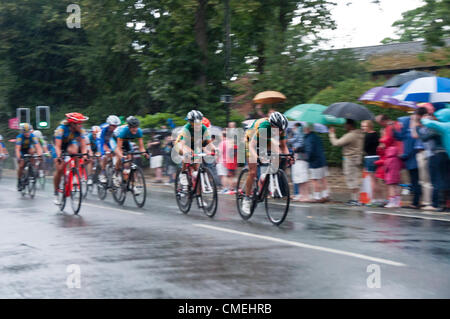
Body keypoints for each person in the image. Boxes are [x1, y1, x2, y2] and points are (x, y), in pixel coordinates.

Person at [242, 112, 292, 214]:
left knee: (278, 154)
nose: (280, 132)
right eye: (278, 130)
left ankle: (265, 176)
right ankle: (246, 199)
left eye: (282, 130)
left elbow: (283, 146)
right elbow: (252, 146)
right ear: (272, 125)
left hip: (266, 140)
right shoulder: (265, 126)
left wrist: (288, 157)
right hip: (251, 140)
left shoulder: (281, 129)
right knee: (253, 171)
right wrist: (255, 156)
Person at [174, 110, 216, 208]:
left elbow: (208, 143)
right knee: (187, 155)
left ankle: (199, 197)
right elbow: (184, 145)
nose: (197, 124)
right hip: (181, 144)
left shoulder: (203, 127)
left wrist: (214, 150)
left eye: (199, 122)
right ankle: (183, 173)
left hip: (195, 145)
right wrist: (191, 153)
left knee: (197, 174)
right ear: (190, 122)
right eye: (194, 123)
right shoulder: (186, 129)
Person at [53, 113, 89, 204]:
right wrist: (59, 156)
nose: (81, 126)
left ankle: (74, 173)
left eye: (81, 124)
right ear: (72, 124)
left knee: (75, 151)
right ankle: (56, 192)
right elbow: (57, 146)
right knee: (60, 169)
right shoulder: (61, 129)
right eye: (79, 124)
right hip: (59, 146)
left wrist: (85, 155)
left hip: (69, 144)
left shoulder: (81, 130)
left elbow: (83, 144)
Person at [421, 108, 450, 212]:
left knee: (441, 179)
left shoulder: (445, 126)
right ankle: (445, 205)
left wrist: (423, 119)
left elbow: (426, 130)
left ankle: (440, 204)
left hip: (441, 155)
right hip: (446, 155)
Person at [329, 119, 364, 206]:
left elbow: (336, 143)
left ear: (350, 125)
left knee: (351, 179)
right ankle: (354, 198)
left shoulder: (351, 135)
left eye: (346, 124)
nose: (344, 126)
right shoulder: (359, 134)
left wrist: (332, 134)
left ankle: (355, 199)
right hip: (356, 158)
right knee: (354, 178)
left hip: (350, 159)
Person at [112, 116, 149, 187]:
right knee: (120, 156)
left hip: (126, 140)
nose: (135, 129)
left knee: (130, 156)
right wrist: (121, 155)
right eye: (133, 127)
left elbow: (141, 148)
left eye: (136, 127)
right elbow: (118, 148)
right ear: (129, 127)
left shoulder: (139, 131)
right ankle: (115, 173)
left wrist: (144, 153)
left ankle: (129, 178)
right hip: (116, 138)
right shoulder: (123, 131)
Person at [303, 123, 328, 202]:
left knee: (314, 179)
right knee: (323, 178)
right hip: (322, 160)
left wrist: (307, 158)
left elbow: (309, 151)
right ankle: (325, 195)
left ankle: (317, 197)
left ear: (308, 129)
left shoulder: (308, 138)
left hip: (314, 162)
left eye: (304, 128)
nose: (303, 130)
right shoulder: (317, 137)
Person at [15, 124, 43, 190]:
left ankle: (31, 168)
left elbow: (38, 146)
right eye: (25, 132)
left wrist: (39, 155)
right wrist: (19, 158)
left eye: (28, 131)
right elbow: (17, 149)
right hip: (21, 150)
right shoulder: (19, 137)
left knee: (33, 151)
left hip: (28, 149)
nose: (27, 133)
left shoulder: (33, 136)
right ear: (22, 132)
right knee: (21, 165)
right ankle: (19, 180)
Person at [361, 120, 381, 205]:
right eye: (362, 126)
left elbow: (365, 149)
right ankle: (379, 199)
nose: (362, 128)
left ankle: (373, 200)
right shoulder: (376, 134)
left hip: (369, 158)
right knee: (376, 180)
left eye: (364, 126)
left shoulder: (367, 136)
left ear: (369, 127)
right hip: (377, 157)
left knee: (372, 180)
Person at [99, 115, 121, 183]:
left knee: (118, 156)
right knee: (105, 156)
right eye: (113, 126)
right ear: (109, 125)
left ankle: (116, 173)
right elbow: (101, 142)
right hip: (104, 142)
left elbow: (119, 142)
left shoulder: (118, 130)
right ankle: (102, 172)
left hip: (112, 143)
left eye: (116, 126)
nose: (115, 127)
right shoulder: (104, 130)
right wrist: (103, 153)